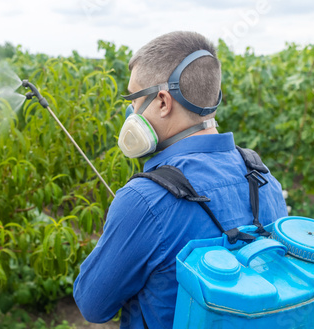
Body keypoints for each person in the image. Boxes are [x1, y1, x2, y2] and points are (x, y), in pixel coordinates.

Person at [73, 31, 288, 328]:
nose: (131, 112)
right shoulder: (262, 177)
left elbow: (92, 305)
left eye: (134, 99)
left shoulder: (144, 200)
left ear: (163, 101)